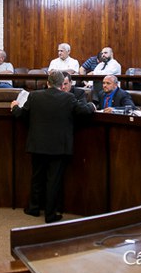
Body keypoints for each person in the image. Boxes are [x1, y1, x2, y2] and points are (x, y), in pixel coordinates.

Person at [11, 70, 95, 223]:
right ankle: (50, 214)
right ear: (61, 84)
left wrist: (15, 107)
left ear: (48, 83)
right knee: (53, 181)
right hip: (58, 147)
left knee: (37, 178)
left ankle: (33, 208)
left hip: (37, 144)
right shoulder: (69, 98)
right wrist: (92, 105)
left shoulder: (34, 96)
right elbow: (84, 111)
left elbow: (22, 115)